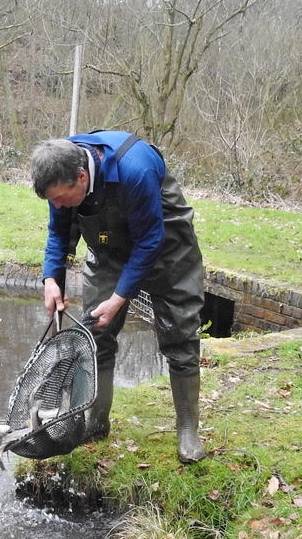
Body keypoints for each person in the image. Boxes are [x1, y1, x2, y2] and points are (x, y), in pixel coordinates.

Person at [30, 130, 206, 463]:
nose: (57, 206)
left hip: (167, 246)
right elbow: (58, 232)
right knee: (96, 335)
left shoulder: (134, 171)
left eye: (61, 198)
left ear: (82, 177)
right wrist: (51, 279)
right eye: (51, 200)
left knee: (180, 337)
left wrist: (120, 296)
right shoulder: (61, 173)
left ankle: (187, 431)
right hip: (108, 247)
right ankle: (96, 422)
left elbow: (149, 242)